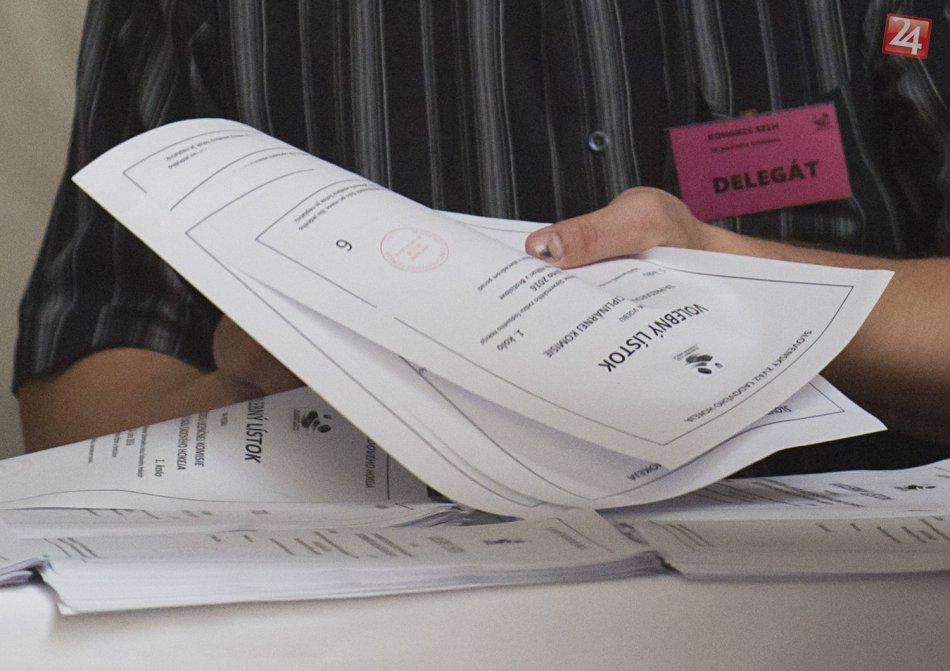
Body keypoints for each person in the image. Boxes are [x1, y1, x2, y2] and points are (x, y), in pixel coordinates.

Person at [14, 1, 950, 475]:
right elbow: (77, 396)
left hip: (841, 609)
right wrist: (263, 396)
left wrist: (736, 285)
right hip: (386, 615)